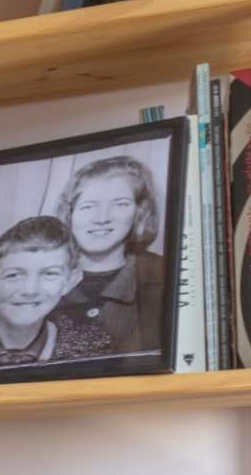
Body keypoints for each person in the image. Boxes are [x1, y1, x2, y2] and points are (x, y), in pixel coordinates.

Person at [46, 152, 164, 361]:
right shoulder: (38, 278)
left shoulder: (163, 274)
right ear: (70, 214)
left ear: (139, 212)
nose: (102, 218)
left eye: (120, 204)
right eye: (88, 206)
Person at [0, 214, 81, 372]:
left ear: (69, 282)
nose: (30, 290)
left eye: (50, 274)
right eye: (14, 275)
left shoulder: (92, 348)